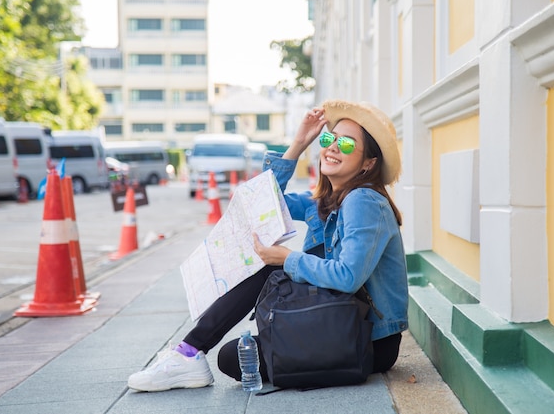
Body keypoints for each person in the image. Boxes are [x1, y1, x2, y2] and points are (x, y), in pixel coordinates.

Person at [127, 100, 409, 392]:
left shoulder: (364, 201)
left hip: (369, 339)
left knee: (233, 356)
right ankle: (189, 353)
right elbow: (261, 202)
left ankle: (188, 353)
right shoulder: (323, 202)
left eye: (347, 145)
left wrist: (287, 259)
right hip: (340, 318)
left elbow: (348, 277)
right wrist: (298, 144)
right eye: (328, 139)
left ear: (369, 163)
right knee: (235, 353)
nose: (333, 147)